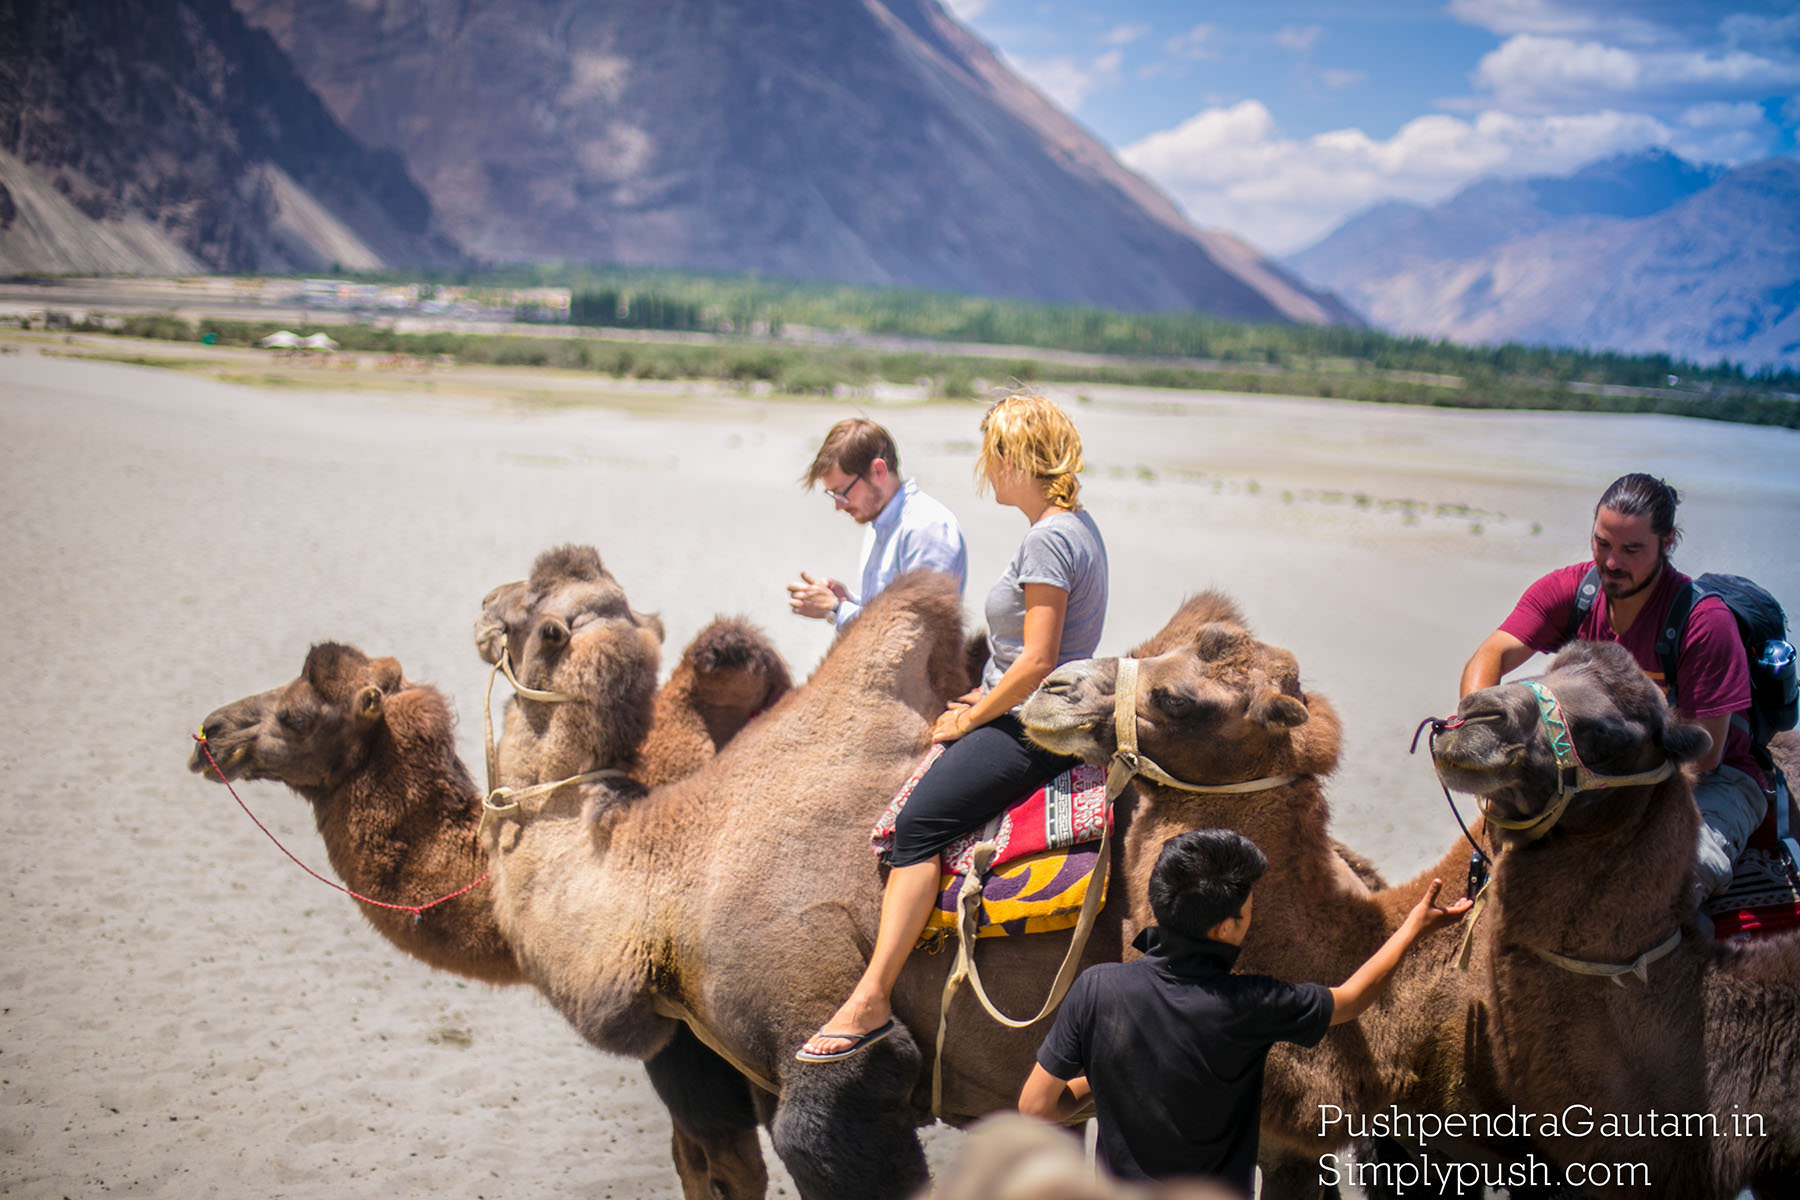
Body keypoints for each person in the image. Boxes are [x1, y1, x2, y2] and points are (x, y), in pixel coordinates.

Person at [797, 394, 1108, 1062]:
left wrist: (973, 714)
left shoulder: (1050, 536)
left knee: (916, 830)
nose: (986, 470)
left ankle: (872, 996)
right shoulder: (1075, 525)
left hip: (1036, 726)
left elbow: (1038, 660)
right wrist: (981, 692)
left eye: (992, 454)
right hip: (1029, 706)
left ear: (1016, 457)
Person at [1017, 830, 1470, 1194]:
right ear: (1225, 927)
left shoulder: (1098, 987)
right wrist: (1413, 928)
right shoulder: (1250, 1002)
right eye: (1249, 909)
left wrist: (1111, 1079)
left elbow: (1036, 1106)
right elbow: (1351, 1000)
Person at [1459, 472, 1766, 903]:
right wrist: (1475, 721)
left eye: (1632, 549)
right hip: (1600, 773)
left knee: (1673, 882)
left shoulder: (1704, 623)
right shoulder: (1572, 591)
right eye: (1602, 543)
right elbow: (1490, 656)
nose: (1612, 562)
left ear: (1668, 542)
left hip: (1712, 782)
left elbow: (1708, 753)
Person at [789, 418, 967, 629]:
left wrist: (837, 609)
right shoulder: (880, 524)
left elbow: (918, 629)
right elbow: (888, 614)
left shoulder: (926, 526)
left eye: (842, 493)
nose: (839, 506)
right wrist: (847, 600)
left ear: (878, 472)